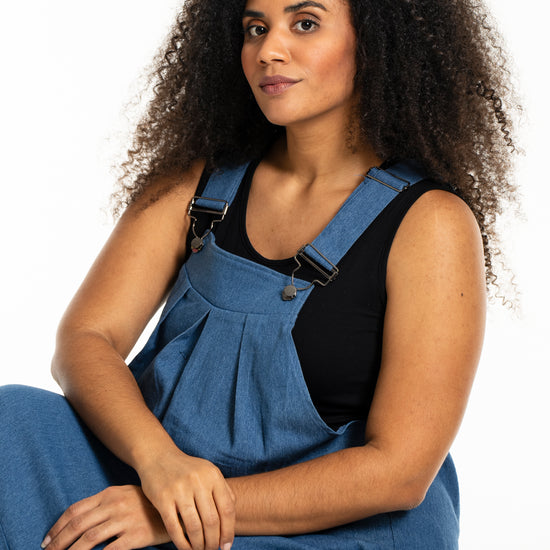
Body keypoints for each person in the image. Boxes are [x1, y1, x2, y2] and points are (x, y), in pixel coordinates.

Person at [0, 0, 519, 549]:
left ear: (376, 41)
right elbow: (87, 337)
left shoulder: (432, 223)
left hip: (329, 526)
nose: (268, 50)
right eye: (255, 28)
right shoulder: (198, 180)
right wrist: (160, 466)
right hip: (164, 480)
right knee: (14, 422)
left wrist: (177, 515)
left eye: (305, 23)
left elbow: (399, 472)